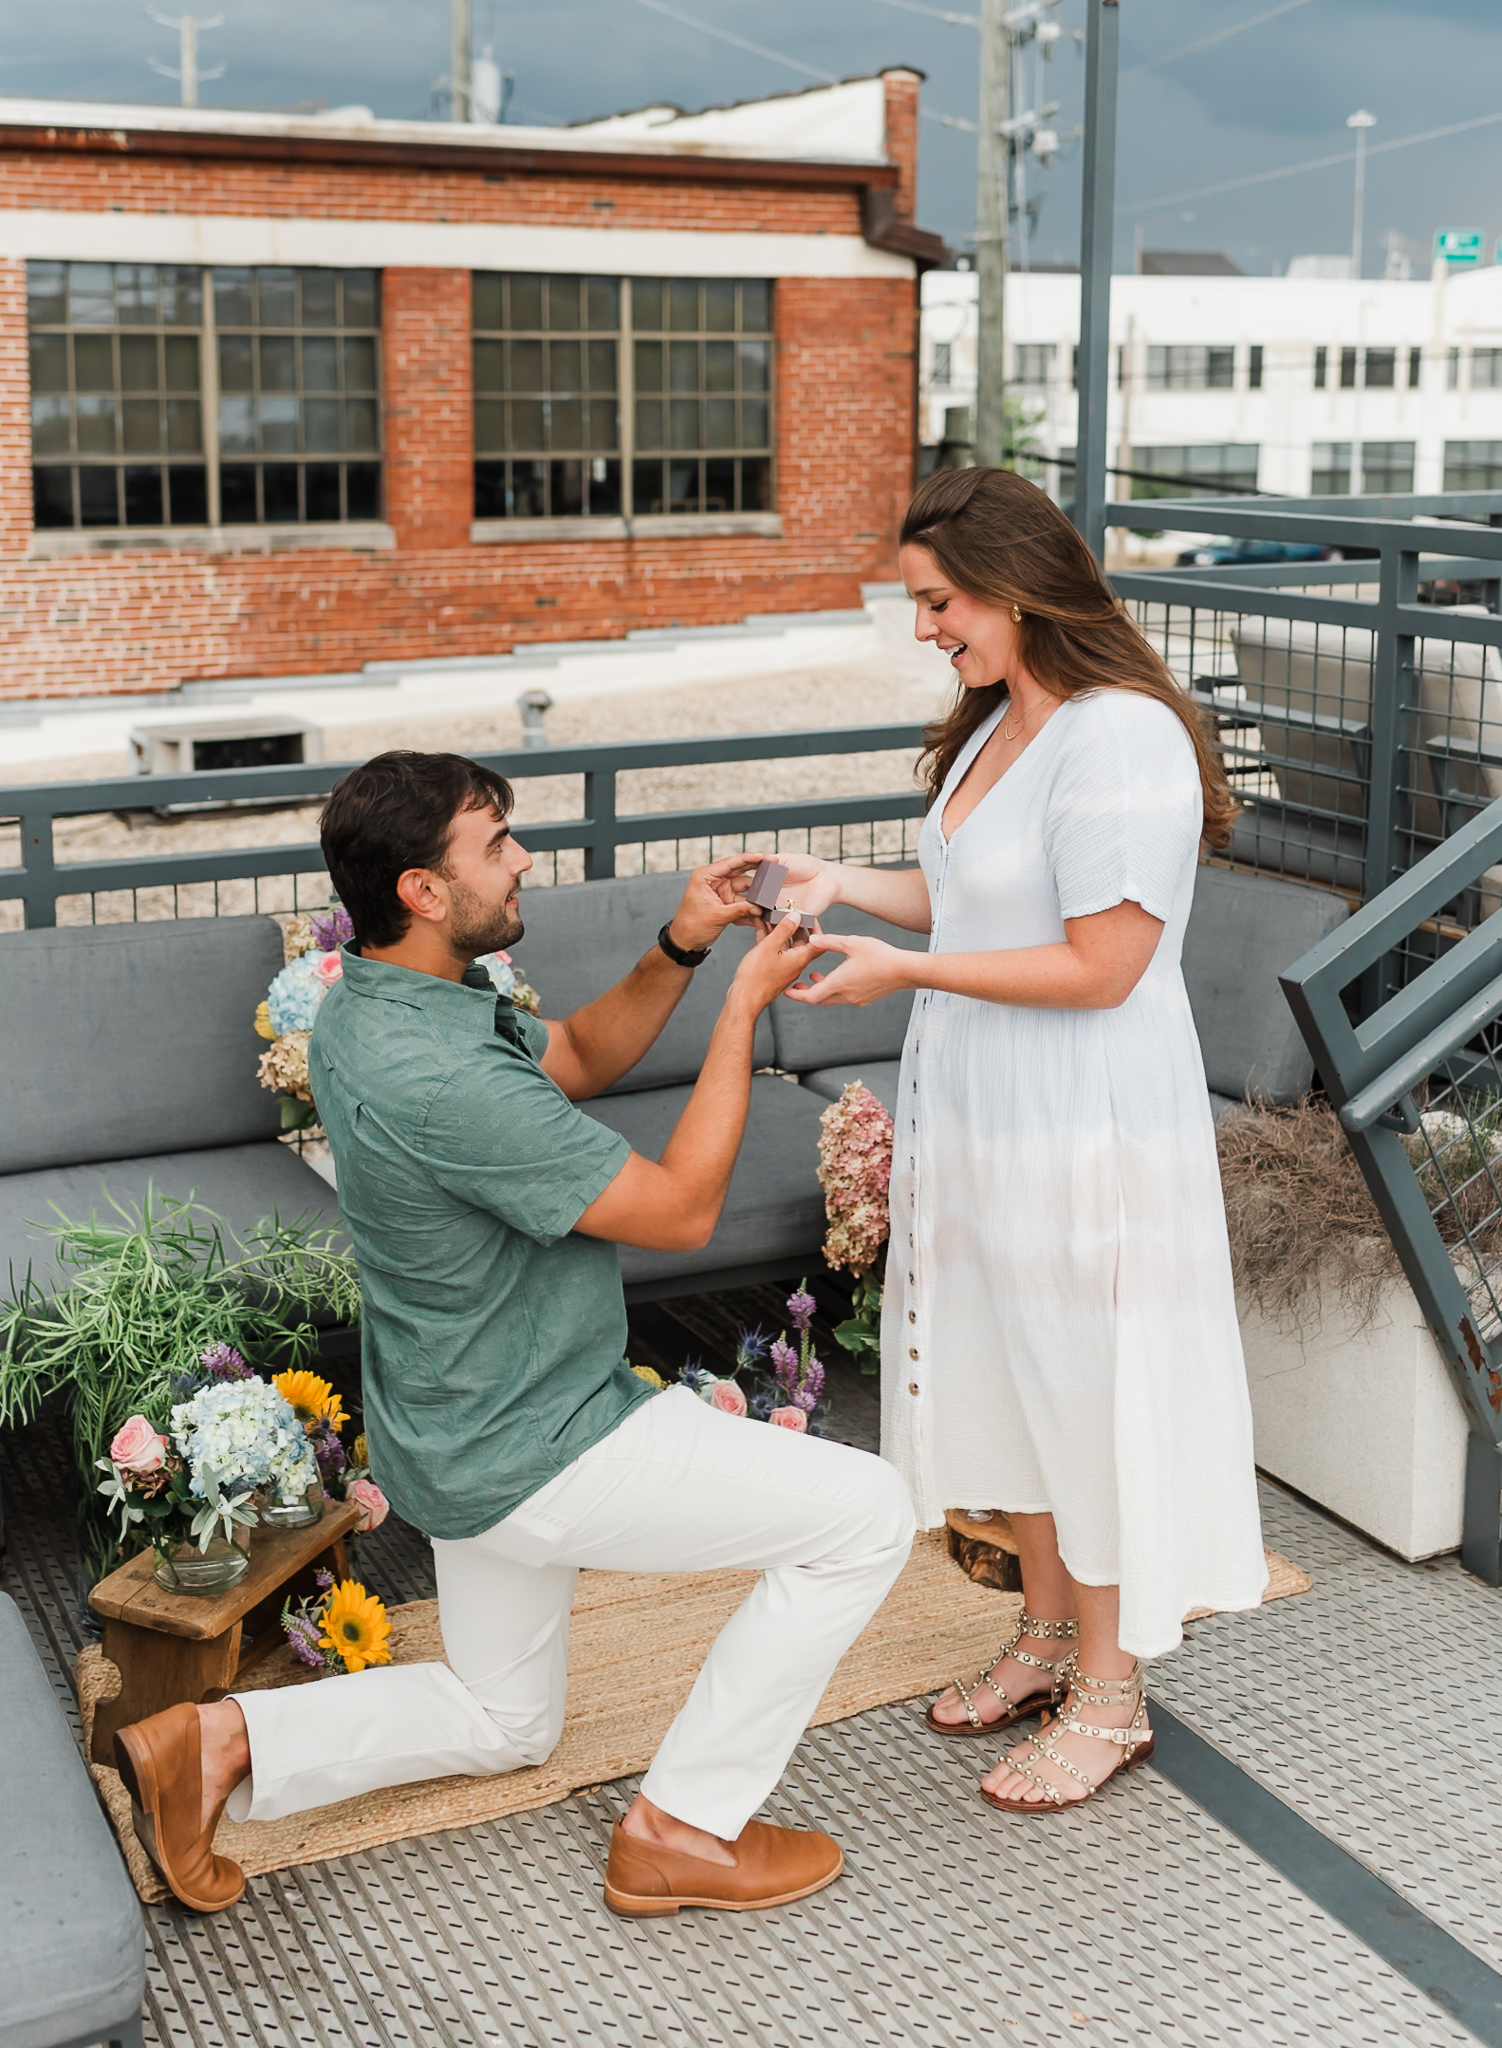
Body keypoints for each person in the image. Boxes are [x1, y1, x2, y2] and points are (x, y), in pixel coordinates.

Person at [113, 750, 915, 1915]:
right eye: (495, 843)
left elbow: (579, 1056)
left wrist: (683, 944)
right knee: (866, 1514)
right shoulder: (439, 1077)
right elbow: (684, 1210)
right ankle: (681, 1828)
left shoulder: (373, 1001)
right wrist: (742, 1005)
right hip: (547, 1435)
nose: (525, 856)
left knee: (504, 1719)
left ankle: (216, 1742)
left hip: (452, 1424)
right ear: (422, 893)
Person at [767, 467, 1268, 1813]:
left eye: (937, 601)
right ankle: (1047, 1635)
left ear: (1014, 584)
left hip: (1084, 1118)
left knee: (1084, 1385)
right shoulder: (1000, 724)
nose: (924, 627)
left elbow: (1104, 962)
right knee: (1012, 1370)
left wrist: (899, 975)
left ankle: (1111, 1691)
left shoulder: (1122, 738)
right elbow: (970, 894)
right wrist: (837, 887)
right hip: (988, 1104)